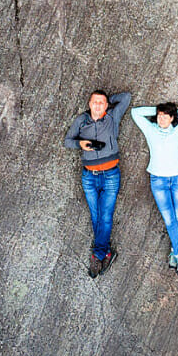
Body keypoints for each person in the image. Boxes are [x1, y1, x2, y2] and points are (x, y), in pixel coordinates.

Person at [64, 89, 132, 278]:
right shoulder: (81, 120)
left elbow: (126, 97)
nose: (98, 105)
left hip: (111, 175)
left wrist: (108, 100)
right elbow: (67, 141)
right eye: (95, 102)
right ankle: (106, 252)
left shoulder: (112, 117)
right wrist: (81, 144)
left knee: (106, 216)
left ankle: (99, 254)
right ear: (89, 103)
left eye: (102, 102)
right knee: (96, 216)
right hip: (89, 176)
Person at [130, 102, 178, 272]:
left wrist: (174, 112)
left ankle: (174, 251)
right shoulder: (150, 129)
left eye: (165, 115)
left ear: (172, 118)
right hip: (158, 180)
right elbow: (135, 112)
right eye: (159, 115)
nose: (161, 118)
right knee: (169, 218)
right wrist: (157, 111)